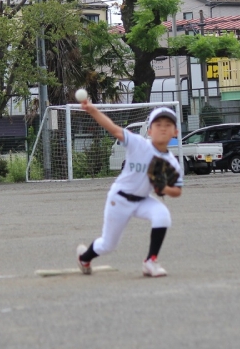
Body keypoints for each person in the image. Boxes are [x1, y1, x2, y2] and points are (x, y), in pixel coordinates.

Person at [76, 103, 183, 277]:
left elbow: (177, 190)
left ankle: (150, 262)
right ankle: (84, 258)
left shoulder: (171, 162)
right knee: (108, 245)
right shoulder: (138, 144)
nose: (163, 128)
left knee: (162, 214)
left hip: (142, 200)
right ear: (149, 131)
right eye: (158, 125)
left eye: (168, 125)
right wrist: (93, 111)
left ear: (175, 132)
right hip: (119, 199)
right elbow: (114, 129)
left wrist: (163, 188)